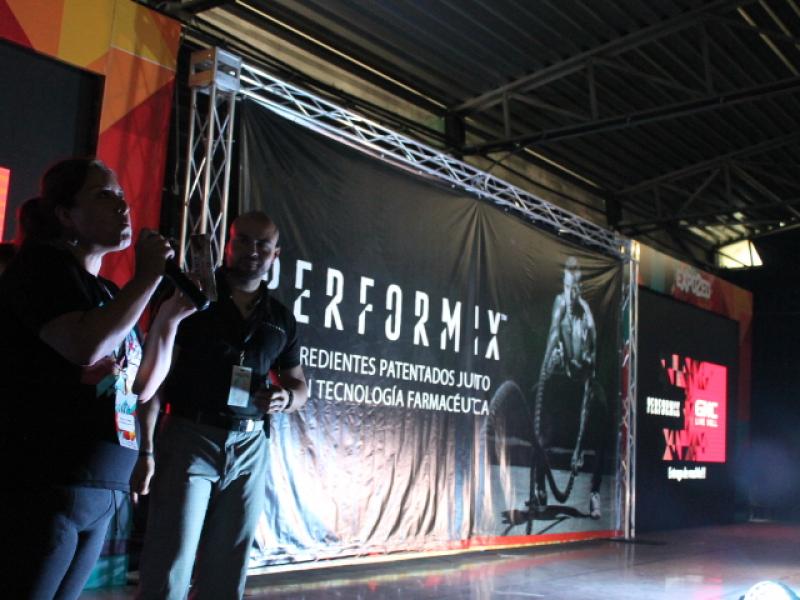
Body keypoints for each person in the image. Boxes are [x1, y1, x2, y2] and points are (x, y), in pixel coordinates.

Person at [0, 157, 194, 599]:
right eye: (104, 195)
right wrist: (147, 278)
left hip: (100, 488)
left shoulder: (108, 293)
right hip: (46, 481)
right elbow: (85, 346)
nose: (122, 206)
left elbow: (139, 386)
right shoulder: (40, 269)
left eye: (122, 196)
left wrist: (169, 318)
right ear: (66, 214)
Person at [136, 211, 308, 600]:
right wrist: (145, 449)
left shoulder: (280, 318)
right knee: (168, 566)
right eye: (243, 240)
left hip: (250, 446)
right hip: (189, 437)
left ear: (275, 253)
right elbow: (154, 382)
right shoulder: (192, 297)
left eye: (262, 244)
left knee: (227, 572)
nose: (252, 250)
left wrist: (286, 398)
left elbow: (299, 385)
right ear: (227, 244)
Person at [532, 257, 607, 519]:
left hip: (583, 384)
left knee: (603, 417)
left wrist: (578, 449)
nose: (570, 293)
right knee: (542, 430)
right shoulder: (560, 304)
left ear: (580, 288)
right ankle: (540, 487)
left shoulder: (588, 322)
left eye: (574, 288)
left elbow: (588, 386)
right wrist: (545, 369)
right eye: (566, 286)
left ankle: (594, 492)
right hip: (563, 381)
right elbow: (553, 333)